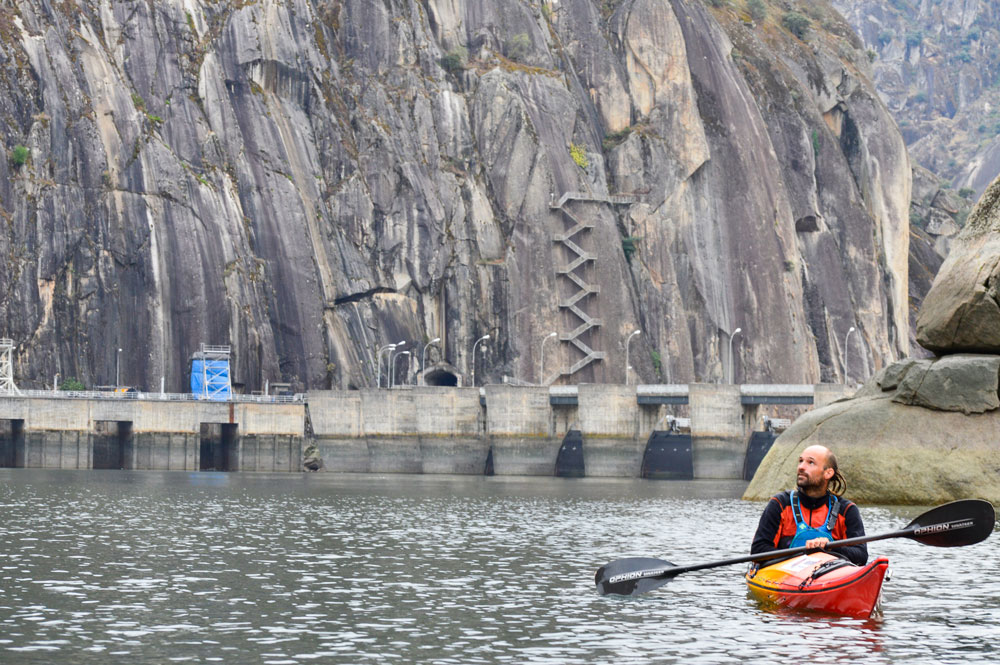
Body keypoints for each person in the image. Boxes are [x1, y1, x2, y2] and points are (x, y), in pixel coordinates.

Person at [750, 444, 867, 565]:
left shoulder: (847, 510)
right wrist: (804, 554)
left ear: (828, 473)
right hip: (785, 576)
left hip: (828, 576)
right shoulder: (780, 504)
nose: (801, 467)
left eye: (810, 463)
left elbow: (861, 556)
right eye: (800, 461)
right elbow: (758, 550)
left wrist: (829, 548)